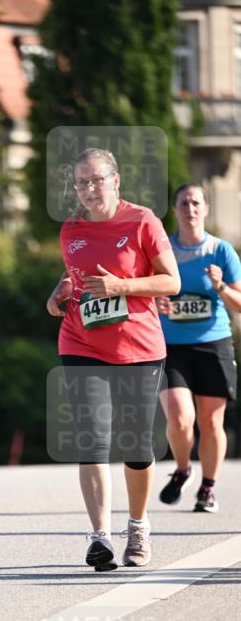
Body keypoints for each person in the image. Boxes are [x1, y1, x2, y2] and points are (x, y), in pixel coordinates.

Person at [46, 147, 180, 570]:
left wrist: (122, 286)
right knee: (93, 439)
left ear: (116, 180)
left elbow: (171, 281)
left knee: (137, 447)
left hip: (138, 346)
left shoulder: (143, 221)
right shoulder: (70, 229)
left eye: (96, 180)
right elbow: (75, 280)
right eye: (81, 182)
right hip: (81, 342)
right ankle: (100, 537)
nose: (88, 189)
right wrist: (57, 296)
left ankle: (137, 526)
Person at [155, 184, 241, 513]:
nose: (190, 209)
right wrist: (156, 300)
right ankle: (182, 468)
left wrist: (219, 286)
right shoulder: (164, 251)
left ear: (205, 209)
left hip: (213, 343)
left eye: (195, 203)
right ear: (175, 210)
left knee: (211, 422)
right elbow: (145, 293)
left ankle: (208, 487)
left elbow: (239, 303)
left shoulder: (221, 251)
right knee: (179, 419)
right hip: (171, 346)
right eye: (183, 203)